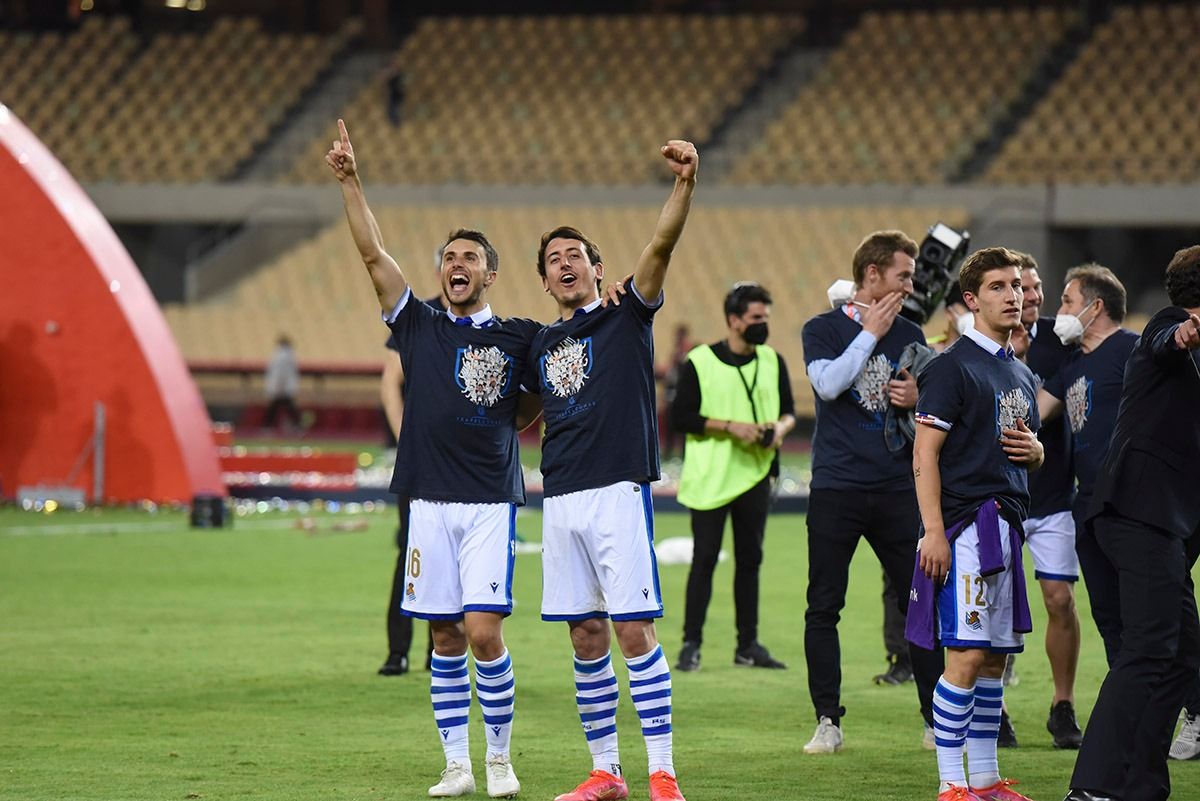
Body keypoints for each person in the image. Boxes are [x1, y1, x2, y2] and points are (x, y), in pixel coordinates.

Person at [326, 119, 539, 799]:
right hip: (428, 499)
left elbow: (535, 403)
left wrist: (511, 424)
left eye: (469, 257)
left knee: (482, 632)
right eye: (449, 256)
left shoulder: (517, 336)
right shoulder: (417, 323)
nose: (456, 264)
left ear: (490, 273)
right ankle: (457, 762)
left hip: (486, 502)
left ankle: (500, 756)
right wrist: (351, 181)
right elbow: (372, 255)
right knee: (445, 635)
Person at [527, 140, 697, 801]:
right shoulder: (541, 343)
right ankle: (607, 772)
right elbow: (516, 414)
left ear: (598, 268)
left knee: (632, 627)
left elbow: (660, 247)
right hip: (560, 495)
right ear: (544, 281)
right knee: (585, 631)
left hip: (618, 489)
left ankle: (663, 772)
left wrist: (685, 184)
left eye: (575, 255)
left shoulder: (627, 313)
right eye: (553, 260)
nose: (565, 264)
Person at [800, 229, 945, 754]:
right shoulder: (820, 329)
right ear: (872, 275)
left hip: (896, 487)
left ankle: (936, 720)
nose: (911, 283)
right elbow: (829, 385)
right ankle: (827, 721)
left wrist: (915, 396)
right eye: (903, 274)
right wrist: (868, 334)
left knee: (922, 602)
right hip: (836, 486)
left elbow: (932, 410)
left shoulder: (912, 332)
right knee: (824, 606)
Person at [907, 246, 1044, 801]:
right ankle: (950, 782)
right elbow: (924, 454)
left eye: (1016, 285)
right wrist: (934, 530)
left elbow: (1019, 453)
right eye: (997, 287)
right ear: (971, 299)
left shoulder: (1018, 370)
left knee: (992, 659)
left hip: (1007, 529)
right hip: (965, 531)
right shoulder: (950, 366)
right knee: (963, 654)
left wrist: (1036, 454)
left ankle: (985, 780)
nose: (1013, 295)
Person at [1064, 247, 1200, 801]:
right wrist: (1186, 333)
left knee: (1181, 656)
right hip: (1138, 514)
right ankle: (1092, 787)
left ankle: (1141, 786)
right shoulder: (1168, 328)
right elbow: (1170, 339)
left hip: (1160, 522)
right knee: (1148, 649)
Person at [670, 281, 795, 673]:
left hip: (755, 475)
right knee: (704, 561)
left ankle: (748, 644)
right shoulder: (700, 361)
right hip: (711, 479)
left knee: (750, 562)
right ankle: (691, 644)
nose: (762, 325)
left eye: (765, 318)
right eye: (756, 318)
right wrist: (732, 427)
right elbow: (681, 417)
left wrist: (780, 428)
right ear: (734, 320)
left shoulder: (773, 361)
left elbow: (790, 410)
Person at [1035, 265, 1137, 669]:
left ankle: (1191, 710)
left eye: (1067, 301)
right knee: (1109, 617)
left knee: (1148, 615)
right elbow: (1031, 412)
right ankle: (1127, 714)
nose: (1060, 310)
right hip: (1089, 505)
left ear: (1095, 307)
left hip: (1131, 502)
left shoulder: (1132, 350)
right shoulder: (1073, 365)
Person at [1007, 252, 1082, 749]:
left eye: (1035, 287)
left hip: (1054, 493)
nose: (1031, 296)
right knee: (996, 609)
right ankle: (996, 708)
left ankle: (1062, 703)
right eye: (1020, 288)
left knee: (1059, 597)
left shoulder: (1064, 339)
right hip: (999, 498)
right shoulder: (979, 343)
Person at [378, 330, 438, 677]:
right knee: (409, 550)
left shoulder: (476, 323)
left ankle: (440, 651)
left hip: (457, 461)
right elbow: (390, 381)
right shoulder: (419, 320)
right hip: (418, 460)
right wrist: (407, 438)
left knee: (453, 554)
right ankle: (398, 651)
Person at [659, 324, 693, 460]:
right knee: (670, 426)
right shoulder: (675, 353)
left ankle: (683, 454)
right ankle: (668, 453)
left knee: (682, 427)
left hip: (682, 395)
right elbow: (669, 374)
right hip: (671, 394)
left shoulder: (688, 352)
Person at [262, 335, 301, 431]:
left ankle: (268, 426)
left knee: (278, 407)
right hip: (284, 386)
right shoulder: (289, 354)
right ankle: (296, 425)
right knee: (283, 407)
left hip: (281, 387)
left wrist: (277, 386)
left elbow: (280, 373)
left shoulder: (281, 355)